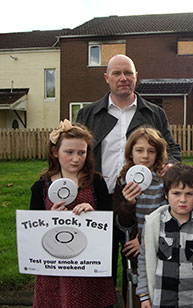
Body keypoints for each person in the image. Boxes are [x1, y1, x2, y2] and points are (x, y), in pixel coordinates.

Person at [76, 54, 181, 289]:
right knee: (98, 265)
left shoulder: (155, 113)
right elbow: (76, 151)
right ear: (106, 78)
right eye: (116, 73)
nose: (123, 78)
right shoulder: (88, 114)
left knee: (137, 268)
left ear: (136, 77)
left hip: (141, 203)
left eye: (128, 73)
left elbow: (172, 148)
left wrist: (170, 164)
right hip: (100, 200)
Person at [29, 119, 117, 308]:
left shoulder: (96, 183)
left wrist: (94, 216)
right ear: (55, 152)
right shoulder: (41, 187)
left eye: (81, 152)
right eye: (69, 152)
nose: (76, 159)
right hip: (55, 268)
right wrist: (48, 219)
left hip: (88, 265)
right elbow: (31, 229)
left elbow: (109, 221)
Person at [136, 163, 193, 308]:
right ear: (166, 194)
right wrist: (144, 295)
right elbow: (144, 259)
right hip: (161, 300)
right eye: (176, 193)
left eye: (189, 194)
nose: (182, 199)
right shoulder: (153, 223)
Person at [113, 126, 169, 307]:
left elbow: (165, 214)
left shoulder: (163, 181)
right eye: (139, 150)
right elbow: (121, 223)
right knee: (138, 289)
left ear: (158, 154)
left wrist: (143, 240)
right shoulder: (123, 181)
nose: (145, 156)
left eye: (151, 151)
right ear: (130, 153)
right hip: (134, 250)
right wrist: (128, 205)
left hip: (160, 245)